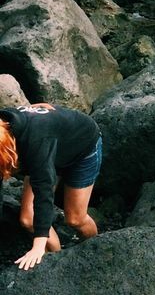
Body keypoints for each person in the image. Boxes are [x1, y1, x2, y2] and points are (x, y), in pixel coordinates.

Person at [0, 104, 102, 270]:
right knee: (27, 219)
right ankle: (58, 263)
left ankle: (94, 252)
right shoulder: (5, 122)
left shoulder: (36, 140)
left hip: (82, 148)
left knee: (75, 219)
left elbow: (44, 193)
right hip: (50, 148)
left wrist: (38, 245)